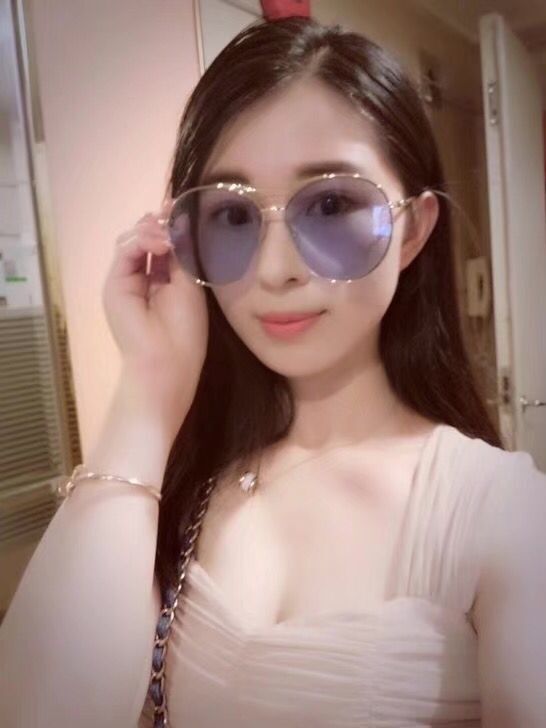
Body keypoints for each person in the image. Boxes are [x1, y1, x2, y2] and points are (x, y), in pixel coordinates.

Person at [0, 16, 545, 728]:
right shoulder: (195, 478)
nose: (275, 270)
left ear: (413, 229)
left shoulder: (503, 510)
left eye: (331, 204)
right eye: (232, 216)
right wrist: (151, 381)